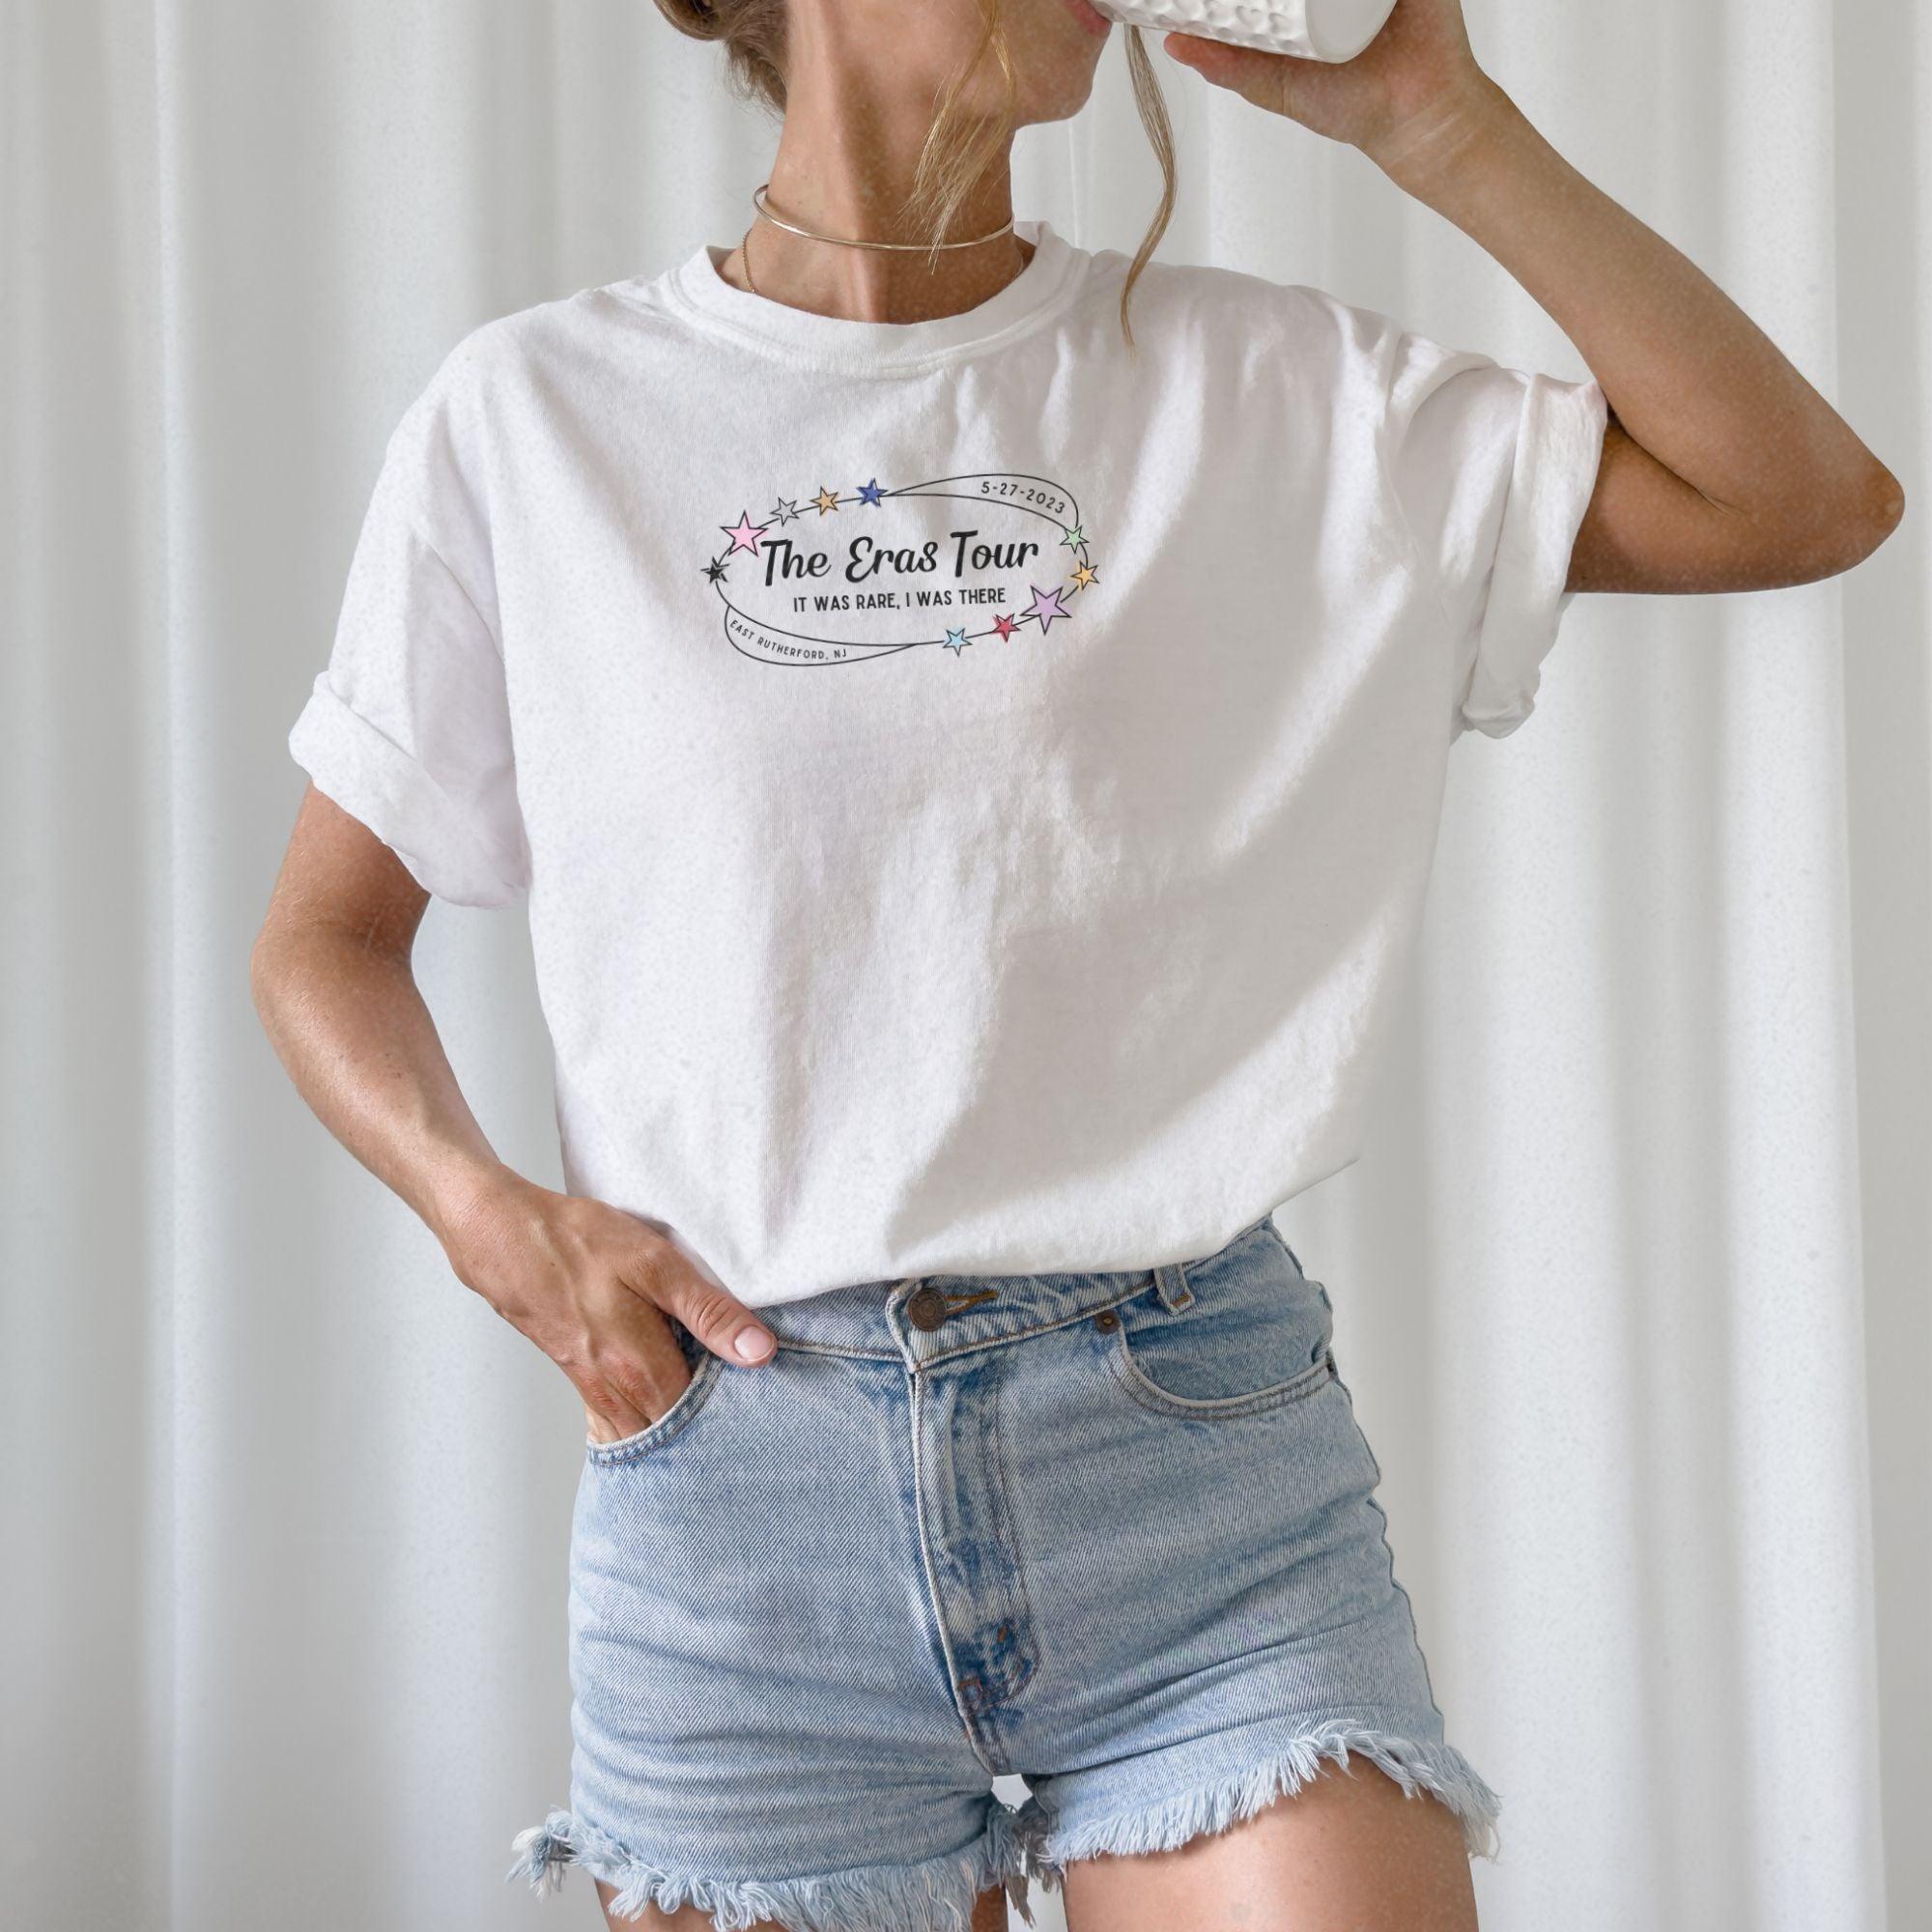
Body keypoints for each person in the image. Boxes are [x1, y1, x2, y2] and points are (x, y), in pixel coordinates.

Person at [249, 2, 1902, 1927]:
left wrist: (1439, 124)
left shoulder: (1260, 387)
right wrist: (492, 1218)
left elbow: (1799, 494)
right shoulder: (530, 420)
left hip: (1194, 1470)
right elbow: (326, 938)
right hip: (741, 1498)